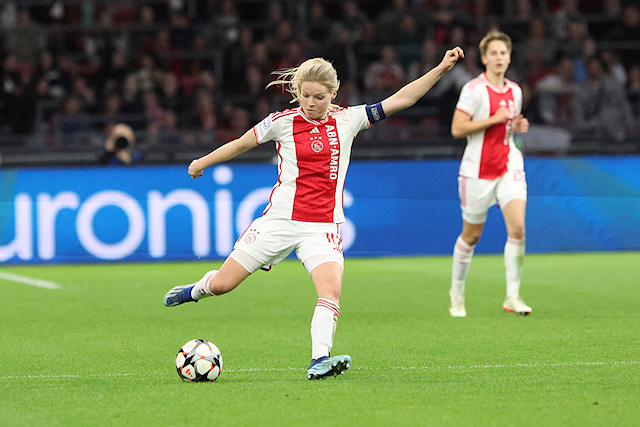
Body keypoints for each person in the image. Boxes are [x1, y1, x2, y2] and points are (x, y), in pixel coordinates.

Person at [163, 47, 465, 379]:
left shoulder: (348, 120)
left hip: (322, 227)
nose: (310, 103)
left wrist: (441, 68)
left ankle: (319, 359)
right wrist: (202, 162)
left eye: (319, 97)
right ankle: (196, 290)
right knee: (223, 285)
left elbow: (402, 99)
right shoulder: (282, 122)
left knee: (330, 291)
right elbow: (241, 143)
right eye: (305, 95)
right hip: (279, 221)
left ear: (333, 94)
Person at [448, 30, 531, 318]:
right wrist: (493, 120)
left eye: (503, 53)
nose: (499, 58)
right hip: (477, 170)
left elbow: (506, 130)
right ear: (484, 58)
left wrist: (515, 127)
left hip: (509, 164)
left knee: (517, 229)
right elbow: (457, 128)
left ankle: (513, 296)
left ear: (509, 58)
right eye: (493, 53)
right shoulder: (473, 89)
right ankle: (457, 293)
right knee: (471, 236)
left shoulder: (516, 91)